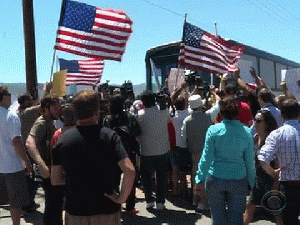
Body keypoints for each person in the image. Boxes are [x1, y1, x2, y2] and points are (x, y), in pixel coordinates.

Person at [51, 90, 135, 225]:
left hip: (76, 210)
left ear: (75, 113)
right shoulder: (110, 137)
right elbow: (129, 171)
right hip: (107, 208)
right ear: (97, 112)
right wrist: (121, 198)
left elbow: (55, 179)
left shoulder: (62, 141)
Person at [194, 95, 256, 225]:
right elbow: (249, 161)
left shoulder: (213, 130)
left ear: (221, 113)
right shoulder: (246, 132)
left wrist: (199, 178)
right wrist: (252, 182)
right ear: (237, 112)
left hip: (215, 177)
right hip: (238, 179)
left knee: (217, 217)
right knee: (236, 217)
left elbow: (206, 158)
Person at [258, 99, 300, 224]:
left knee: (289, 220)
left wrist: (273, 173)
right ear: (299, 114)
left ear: (281, 115)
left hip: (288, 185)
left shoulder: (277, 134)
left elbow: (262, 157)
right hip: (290, 184)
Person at [25, 95, 63, 225]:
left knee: (54, 206)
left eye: (59, 107)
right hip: (47, 172)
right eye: (55, 107)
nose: (58, 110)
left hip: (52, 170)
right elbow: (30, 143)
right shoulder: (41, 123)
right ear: (45, 109)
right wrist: (42, 165)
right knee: (54, 205)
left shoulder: (49, 123)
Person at [103, 94, 141, 215]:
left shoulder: (107, 119)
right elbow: (138, 133)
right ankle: (130, 207)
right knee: (130, 180)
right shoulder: (130, 117)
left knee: (113, 180)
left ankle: (115, 206)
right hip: (128, 152)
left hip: (111, 155)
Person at [181, 94, 220, 210]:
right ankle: (204, 202)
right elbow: (217, 107)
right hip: (207, 152)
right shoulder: (208, 116)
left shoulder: (186, 121)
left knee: (196, 176)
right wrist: (216, 95)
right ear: (201, 105)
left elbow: (184, 137)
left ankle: (195, 199)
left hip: (194, 152)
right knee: (206, 177)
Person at [0, 86, 32, 225]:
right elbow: (17, 142)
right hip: (11, 166)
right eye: (9, 95)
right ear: (4, 97)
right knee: (15, 201)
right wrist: (27, 162)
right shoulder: (10, 116)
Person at [136, 90, 171, 210]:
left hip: (146, 150)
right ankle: (160, 202)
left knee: (146, 178)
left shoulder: (139, 114)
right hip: (162, 149)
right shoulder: (163, 111)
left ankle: (149, 200)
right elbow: (168, 120)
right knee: (161, 178)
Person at [243, 109, 279, 225]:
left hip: (271, 180)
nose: (255, 123)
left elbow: (278, 164)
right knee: (250, 207)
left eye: (258, 121)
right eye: (254, 120)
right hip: (258, 179)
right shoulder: (255, 138)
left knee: (277, 212)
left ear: (266, 124)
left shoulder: (272, 140)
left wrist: (275, 184)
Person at [167, 96, 191, 196]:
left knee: (175, 170)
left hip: (174, 145)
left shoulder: (173, 117)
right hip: (186, 145)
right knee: (184, 171)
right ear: (184, 104)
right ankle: (184, 190)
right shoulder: (189, 114)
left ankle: (176, 190)